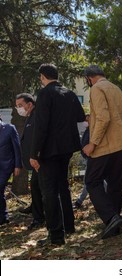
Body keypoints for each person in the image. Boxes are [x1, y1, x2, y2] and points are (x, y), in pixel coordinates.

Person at [30, 63, 85, 246]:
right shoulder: (69, 93)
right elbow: (80, 116)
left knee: (49, 192)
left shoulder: (45, 94)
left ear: (43, 77)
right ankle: (68, 226)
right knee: (63, 187)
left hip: (49, 150)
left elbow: (41, 126)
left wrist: (34, 153)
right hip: (67, 149)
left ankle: (56, 236)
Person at [83, 65, 122, 239]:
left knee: (92, 180)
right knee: (115, 183)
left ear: (89, 78)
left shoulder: (96, 88)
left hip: (107, 144)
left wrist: (93, 143)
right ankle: (114, 225)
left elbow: (104, 117)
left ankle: (110, 217)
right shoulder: (115, 87)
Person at [15, 93, 45, 230]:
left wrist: (36, 156)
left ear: (30, 104)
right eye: (17, 106)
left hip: (39, 160)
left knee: (39, 188)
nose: (19, 109)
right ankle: (35, 209)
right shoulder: (30, 117)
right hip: (33, 161)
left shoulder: (37, 116)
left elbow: (38, 138)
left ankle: (39, 217)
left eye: (20, 105)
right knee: (35, 187)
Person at [0, 115, 22, 225]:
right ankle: (3, 217)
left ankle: (3, 216)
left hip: (6, 166)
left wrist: (18, 165)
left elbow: (17, 148)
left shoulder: (9, 128)